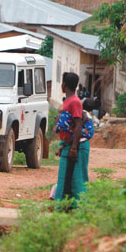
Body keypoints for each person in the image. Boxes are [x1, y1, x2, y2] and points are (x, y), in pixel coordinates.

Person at [53, 72, 91, 205]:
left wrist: (74, 148)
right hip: (69, 145)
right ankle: (65, 206)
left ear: (64, 85)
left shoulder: (74, 102)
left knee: (77, 179)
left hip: (78, 146)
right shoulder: (67, 101)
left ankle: (80, 208)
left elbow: (78, 124)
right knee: (65, 177)